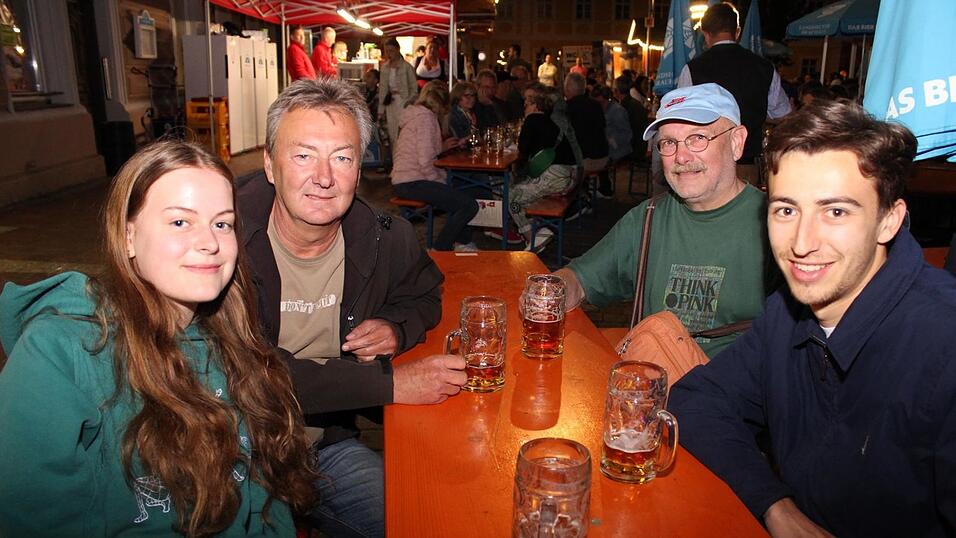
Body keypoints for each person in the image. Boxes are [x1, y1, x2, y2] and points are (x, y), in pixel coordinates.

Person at [669, 99, 956, 537]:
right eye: (786, 209)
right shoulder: (789, 314)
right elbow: (694, 400)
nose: (802, 243)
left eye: (835, 211)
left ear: (888, 221)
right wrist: (775, 505)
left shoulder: (943, 347)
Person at [0, 141, 314, 536]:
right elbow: (28, 519)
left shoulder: (234, 338)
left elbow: (267, 497)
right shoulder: (59, 349)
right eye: (180, 222)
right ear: (128, 236)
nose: (210, 242)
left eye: (222, 223)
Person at [239, 78, 468, 537]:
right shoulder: (221, 239)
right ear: (269, 164)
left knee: (417, 519)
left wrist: (396, 328)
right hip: (230, 447)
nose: (324, 177)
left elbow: (424, 293)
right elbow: (246, 373)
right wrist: (389, 383)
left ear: (359, 171)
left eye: (342, 158)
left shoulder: (384, 235)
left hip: (322, 447)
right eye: (303, 155)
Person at [554, 83, 775, 358]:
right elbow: (580, 278)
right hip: (651, 390)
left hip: (739, 395)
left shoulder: (778, 227)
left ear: (736, 142)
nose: (681, 156)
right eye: (669, 143)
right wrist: (549, 292)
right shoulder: (647, 219)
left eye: (697, 138)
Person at [679, 2, 791, 183]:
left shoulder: (692, 69)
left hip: (705, 164)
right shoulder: (764, 68)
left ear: (706, 34)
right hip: (746, 164)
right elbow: (783, 114)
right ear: (737, 32)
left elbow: (682, 117)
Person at [391, 80, 477, 252]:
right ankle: (441, 248)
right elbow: (425, 162)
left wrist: (442, 148)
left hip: (405, 179)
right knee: (468, 205)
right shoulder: (426, 119)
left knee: (460, 193)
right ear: (442, 104)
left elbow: (423, 152)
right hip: (412, 182)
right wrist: (441, 181)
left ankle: (462, 242)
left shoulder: (416, 115)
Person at [509, 83, 578, 252]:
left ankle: (531, 238)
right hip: (569, 176)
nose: (524, 104)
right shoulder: (552, 121)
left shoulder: (532, 120)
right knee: (523, 189)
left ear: (534, 104)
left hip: (554, 177)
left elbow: (522, 151)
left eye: (527, 100)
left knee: (511, 197)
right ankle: (539, 231)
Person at [591, 84, 632, 197]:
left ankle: (605, 188)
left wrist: (610, 139)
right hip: (610, 145)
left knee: (597, 156)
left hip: (618, 148)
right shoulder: (605, 109)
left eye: (600, 103)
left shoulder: (617, 111)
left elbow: (626, 135)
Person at [564, 73, 609, 175]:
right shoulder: (596, 105)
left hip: (583, 160)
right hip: (602, 157)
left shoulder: (566, 108)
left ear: (568, 88)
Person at [378, 38, 417, 151]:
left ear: (397, 50)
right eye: (387, 51)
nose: (389, 54)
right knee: (391, 133)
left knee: (403, 132)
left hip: (403, 102)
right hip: (390, 102)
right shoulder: (385, 68)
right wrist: (381, 109)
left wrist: (408, 102)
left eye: (391, 51)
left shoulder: (407, 67)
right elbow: (382, 89)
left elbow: (414, 89)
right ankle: (395, 161)